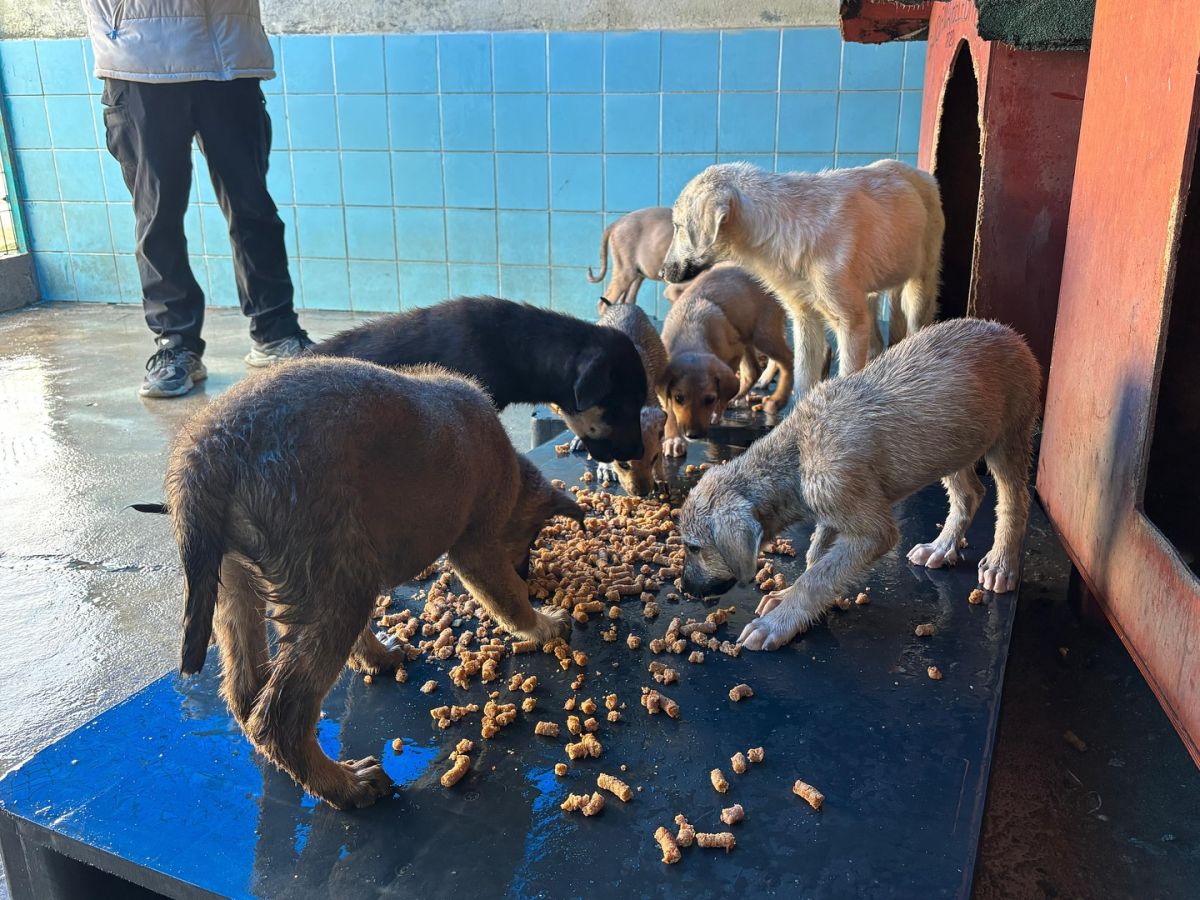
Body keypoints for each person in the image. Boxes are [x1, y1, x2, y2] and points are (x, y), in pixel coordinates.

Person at [82, 0, 311, 397]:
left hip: (230, 55)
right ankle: (175, 344)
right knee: (157, 216)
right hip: (140, 59)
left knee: (253, 208)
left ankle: (276, 333)